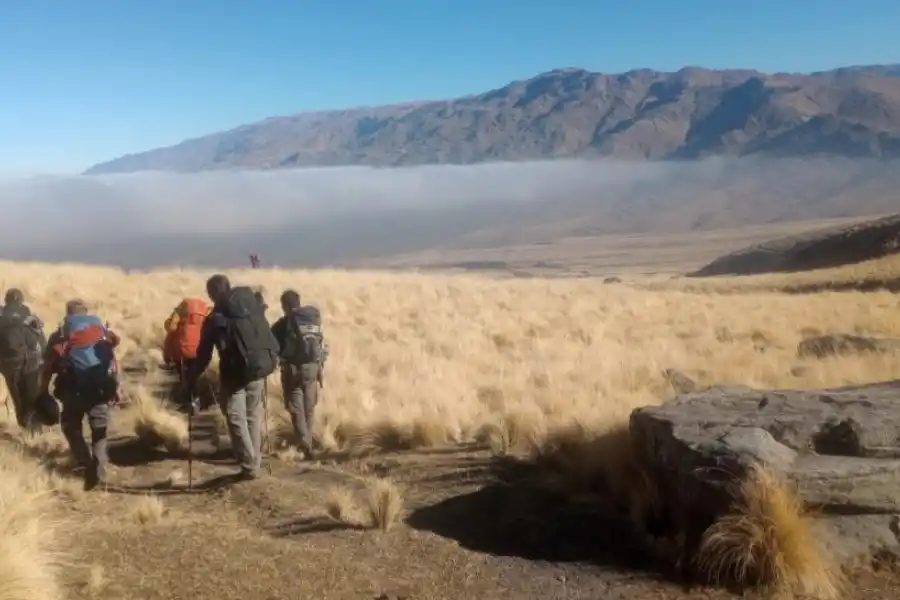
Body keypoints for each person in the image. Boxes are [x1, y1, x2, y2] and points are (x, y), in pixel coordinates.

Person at [186, 274, 280, 480]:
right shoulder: (251, 305)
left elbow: (203, 356)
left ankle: (249, 465)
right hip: (259, 367)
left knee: (235, 417)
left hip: (234, 374)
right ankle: (254, 459)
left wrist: (192, 376)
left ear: (211, 294)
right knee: (252, 415)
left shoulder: (215, 319)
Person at [40, 299, 121, 490]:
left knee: (70, 426)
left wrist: (43, 391)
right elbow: (112, 361)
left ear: (68, 315)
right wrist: (117, 387)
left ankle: (85, 462)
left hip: (72, 391)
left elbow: (47, 367)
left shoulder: (60, 336)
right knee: (99, 430)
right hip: (101, 389)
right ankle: (99, 468)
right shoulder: (101, 333)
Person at [270, 289, 328, 459]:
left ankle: (305, 445)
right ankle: (308, 442)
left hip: (293, 371)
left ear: (285, 305)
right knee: (309, 407)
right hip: (312, 369)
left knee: (296, 409)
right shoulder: (311, 319)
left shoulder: (282, 325)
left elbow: (273, 346)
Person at [0, 289, 47, 429]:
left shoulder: (1, 317)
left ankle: (24, 425)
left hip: (9, 364)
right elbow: (42, 342)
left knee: (18, 398)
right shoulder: (29, 316)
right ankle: (35, 430)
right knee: (32, 398)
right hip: (31, 363)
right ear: (21, 300)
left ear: (6, 300)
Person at [162, 297, 210, 408]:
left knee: (184, 376)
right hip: (200, 349)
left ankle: (188, 400)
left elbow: (171, 327)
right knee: (194, 375)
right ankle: (195, 400)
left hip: (182, 349)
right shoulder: (205, 310)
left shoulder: (181, 310)